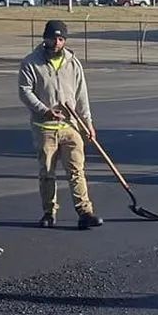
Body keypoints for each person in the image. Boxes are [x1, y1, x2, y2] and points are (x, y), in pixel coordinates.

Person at [19, 18, 102, 229]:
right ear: (44, 38)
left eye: (60, 38)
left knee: (76, 171)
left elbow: (81, 95)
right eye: (53, 38)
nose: (56, 43)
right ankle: (49, 212)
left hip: (70, 127)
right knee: (47, 173)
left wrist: (88, 123)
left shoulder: (73, 63)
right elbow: (25, 91)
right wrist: (44, 111)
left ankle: (85, 212)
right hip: (44, 129)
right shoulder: (31, 62)